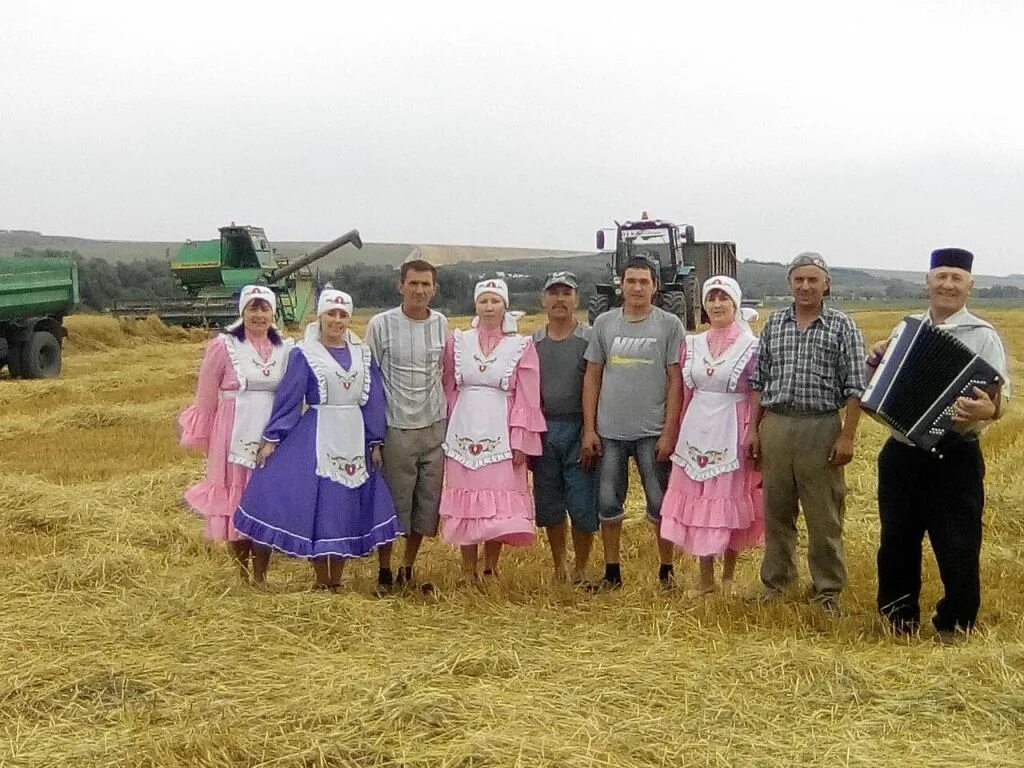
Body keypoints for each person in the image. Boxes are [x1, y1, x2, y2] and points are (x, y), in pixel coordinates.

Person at [869, 248, 1011, 640]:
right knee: (896, 540)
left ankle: (956, 623)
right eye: (941, 276)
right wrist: (876, 358)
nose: (948, 284)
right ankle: (898, 617)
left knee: (959, 544)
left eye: (956, 278)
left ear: (970, 286)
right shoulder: (905, 328)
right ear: (927, 282)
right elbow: (884, 376)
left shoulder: (983, 336)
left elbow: (998, 399)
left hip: (955, 455)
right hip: (901, 453)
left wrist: (987, 410)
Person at [233, 289, 402, 591]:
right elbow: (290, 396)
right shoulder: (305, 353)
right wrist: (273, 437)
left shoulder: (363, 354)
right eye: (331, 314)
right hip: (318, 432)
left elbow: (374, 399)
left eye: (342, 314)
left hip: (353, 434)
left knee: (343, 505)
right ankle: (320, 579)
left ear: (349, 318)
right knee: (321, 503)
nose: (337, 320)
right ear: (320, 316)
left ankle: (335, 579)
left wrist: (375, 440)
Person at [745, 252, 867, 616]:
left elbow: (856, 388)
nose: (805, 286)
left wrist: (847, 436)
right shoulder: (774, 324)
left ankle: (827, 591)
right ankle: (777, 584)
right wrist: (753, 430)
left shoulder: (843, 326)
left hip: (821, 427)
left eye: (813, 280)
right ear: (789, 284)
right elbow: (759, 381)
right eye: (799, 280)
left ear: (826, 284)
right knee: (777, 513)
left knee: (824, 515)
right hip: (777, 426)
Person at [582, 258, 685, 590]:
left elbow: (675, 382)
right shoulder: (604, 324)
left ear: (655, 286)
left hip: (652, 431)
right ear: (620, 285)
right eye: (631, 281)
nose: (637, 287)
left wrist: (670, 431)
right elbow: (592, 377)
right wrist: (589, 427)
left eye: (644, 281)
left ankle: (666, 571)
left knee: (659, 502)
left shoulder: (670, 325)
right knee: (608, 503)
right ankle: (612, 572)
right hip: (610, 431)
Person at [179, 284, 292, 583]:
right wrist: (204, 432)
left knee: (264, 499)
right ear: (242, 311)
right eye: (253, 307)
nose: (259, 314)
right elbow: (206, 393)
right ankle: (242, 573)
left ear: (273, 312)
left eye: (264, 307)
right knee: (236, 499)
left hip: (271, 431)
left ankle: (261, 574)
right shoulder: (224, 345)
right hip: (232, 430)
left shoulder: (286, 348)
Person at [660, 276, 763, 597]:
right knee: (700, 500)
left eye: (724, 298)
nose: (717, 304)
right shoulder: (693, 344)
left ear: (735, 303)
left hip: (731, 427)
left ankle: (729, 577)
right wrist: (675, 431)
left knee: (727, 500)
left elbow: (757, 391)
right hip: (696, 429)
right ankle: (705, 578)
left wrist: (753, 431)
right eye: (712, 298)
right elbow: (684, 392)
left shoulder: (751, 346)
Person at [439, 278, 546, 582]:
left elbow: (528, 394)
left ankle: (490, 566)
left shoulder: (521, 346)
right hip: (463, 428)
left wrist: (520, 439)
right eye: (484, 300)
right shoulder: (457, 341)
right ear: (476, 305)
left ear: (505, 305)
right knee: (467, 499)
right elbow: (448, 385)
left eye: (495, 301)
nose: (489, 307)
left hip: (500, 428)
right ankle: (468, 567)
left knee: (497, 504)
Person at [365, 255, 448, 592]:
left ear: (434, 289)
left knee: (425, 506)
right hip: (396, 426)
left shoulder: (442, 324)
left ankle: (407, 568)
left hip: (434, 426)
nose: (419, 290)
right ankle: (384, 569)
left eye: (425, 284)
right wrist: (375, 437)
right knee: (394, 502)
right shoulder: (380, 325)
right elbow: (370, 380)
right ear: (400, 286)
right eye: (412, 283)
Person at [530, 271, 598, 584]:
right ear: (543, 300)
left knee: (583, 502)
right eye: (554, 292)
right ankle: (559, 565)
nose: (560, 299)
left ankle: (582, 567)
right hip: (544, 431)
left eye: (566, 293)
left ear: (577, 300)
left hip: (579, 428)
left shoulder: (589, 340)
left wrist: (590, 431)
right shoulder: (532, 343)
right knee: (549, 502)